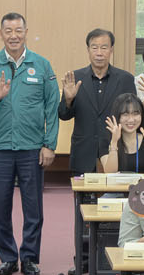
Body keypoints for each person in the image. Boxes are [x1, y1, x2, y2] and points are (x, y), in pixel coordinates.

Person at [0, 12, 59, 275]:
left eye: (18, 30)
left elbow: (52, 106)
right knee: (1, 206)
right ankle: (8, 257)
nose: (13, 36)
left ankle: (29, 257)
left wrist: (49, 144)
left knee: (33, 207)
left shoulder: (41, 65)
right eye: (8, 31)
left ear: (26, 32)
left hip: (32, 147)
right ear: (1, 34)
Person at [59, 28, 137, 176]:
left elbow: (133, 115)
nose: (99, 53)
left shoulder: (125, 79)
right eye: (94, 48)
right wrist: (68, 100)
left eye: (104, 47)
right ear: (88, 50)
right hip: (83, 153)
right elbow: (63, 115)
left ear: (111, 50)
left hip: (116, 151)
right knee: (82, 191)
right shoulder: (75, 77)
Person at [98, 93, 144, 176]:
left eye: (135, 114)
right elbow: (110, 173)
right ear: (117, 116)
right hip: (116, 184)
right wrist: (114, 142)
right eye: (125, 114)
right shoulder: (107, 140)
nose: (131, 120)